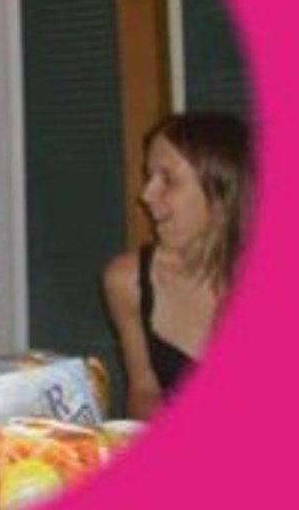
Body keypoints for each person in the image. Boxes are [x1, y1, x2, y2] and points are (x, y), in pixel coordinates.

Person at [103, 112, 253, 420]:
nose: (146, 195)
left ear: (221, 193)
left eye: (168, 179)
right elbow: (144, 392)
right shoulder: (128, 281)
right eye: (149, 177)